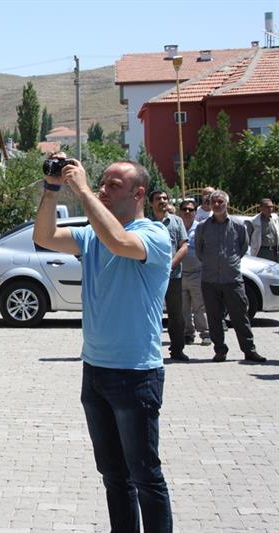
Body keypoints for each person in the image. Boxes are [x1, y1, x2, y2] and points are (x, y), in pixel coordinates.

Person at [33, 157, 174, 532]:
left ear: (138, 194)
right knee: (114, 475)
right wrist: (52, 188)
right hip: (95, 370)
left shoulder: (154, 235)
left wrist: (81, 190)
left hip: (136, 374)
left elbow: (119, 242)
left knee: (145, 476)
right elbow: (44, 237)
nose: (102, 189)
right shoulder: (91, 235)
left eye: (114, 185)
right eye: (102, 183)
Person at [195, 190, 266, 363]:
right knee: (214, 318)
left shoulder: (238, 226)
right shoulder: (202, 227)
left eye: (220, 202)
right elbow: (199, 251)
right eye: (214, 202)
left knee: (240, 316)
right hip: (210, 280)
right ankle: (220, 351)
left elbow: (243, 248)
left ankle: (249, 350)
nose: (217, 205)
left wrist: (229, 263)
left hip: (232, 280)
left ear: (227, 203)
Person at [150, 190, 189, 361]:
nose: (162, 201)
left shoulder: (177, 221)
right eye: (158, 198)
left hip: (173, 277)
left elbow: (184, 246)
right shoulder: (146, 223)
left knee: (176, 316)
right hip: (151, 277)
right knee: (151, 315)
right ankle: (150, 350)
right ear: (151, 203)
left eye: (165, 198)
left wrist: (171, 265)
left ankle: (177, 350)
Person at [177, 199, 211, 346]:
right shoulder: (176, 227)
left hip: (197, 272)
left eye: (191, 210)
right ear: (180, 211)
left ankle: (205, 333)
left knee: (199, 306)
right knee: (183, 308)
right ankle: (188, 334)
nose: (187, 212)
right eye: (184, 209)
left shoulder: (201, 228)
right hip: (180, 273)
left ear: (195, 212)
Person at [247, 198, 279, 262]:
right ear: (260, 208)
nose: (270, 209)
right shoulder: (254, 221)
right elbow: (247, 238)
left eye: (271, 207)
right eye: (267, 207)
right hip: (261, 251)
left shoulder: (275, 218)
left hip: (275, 251)